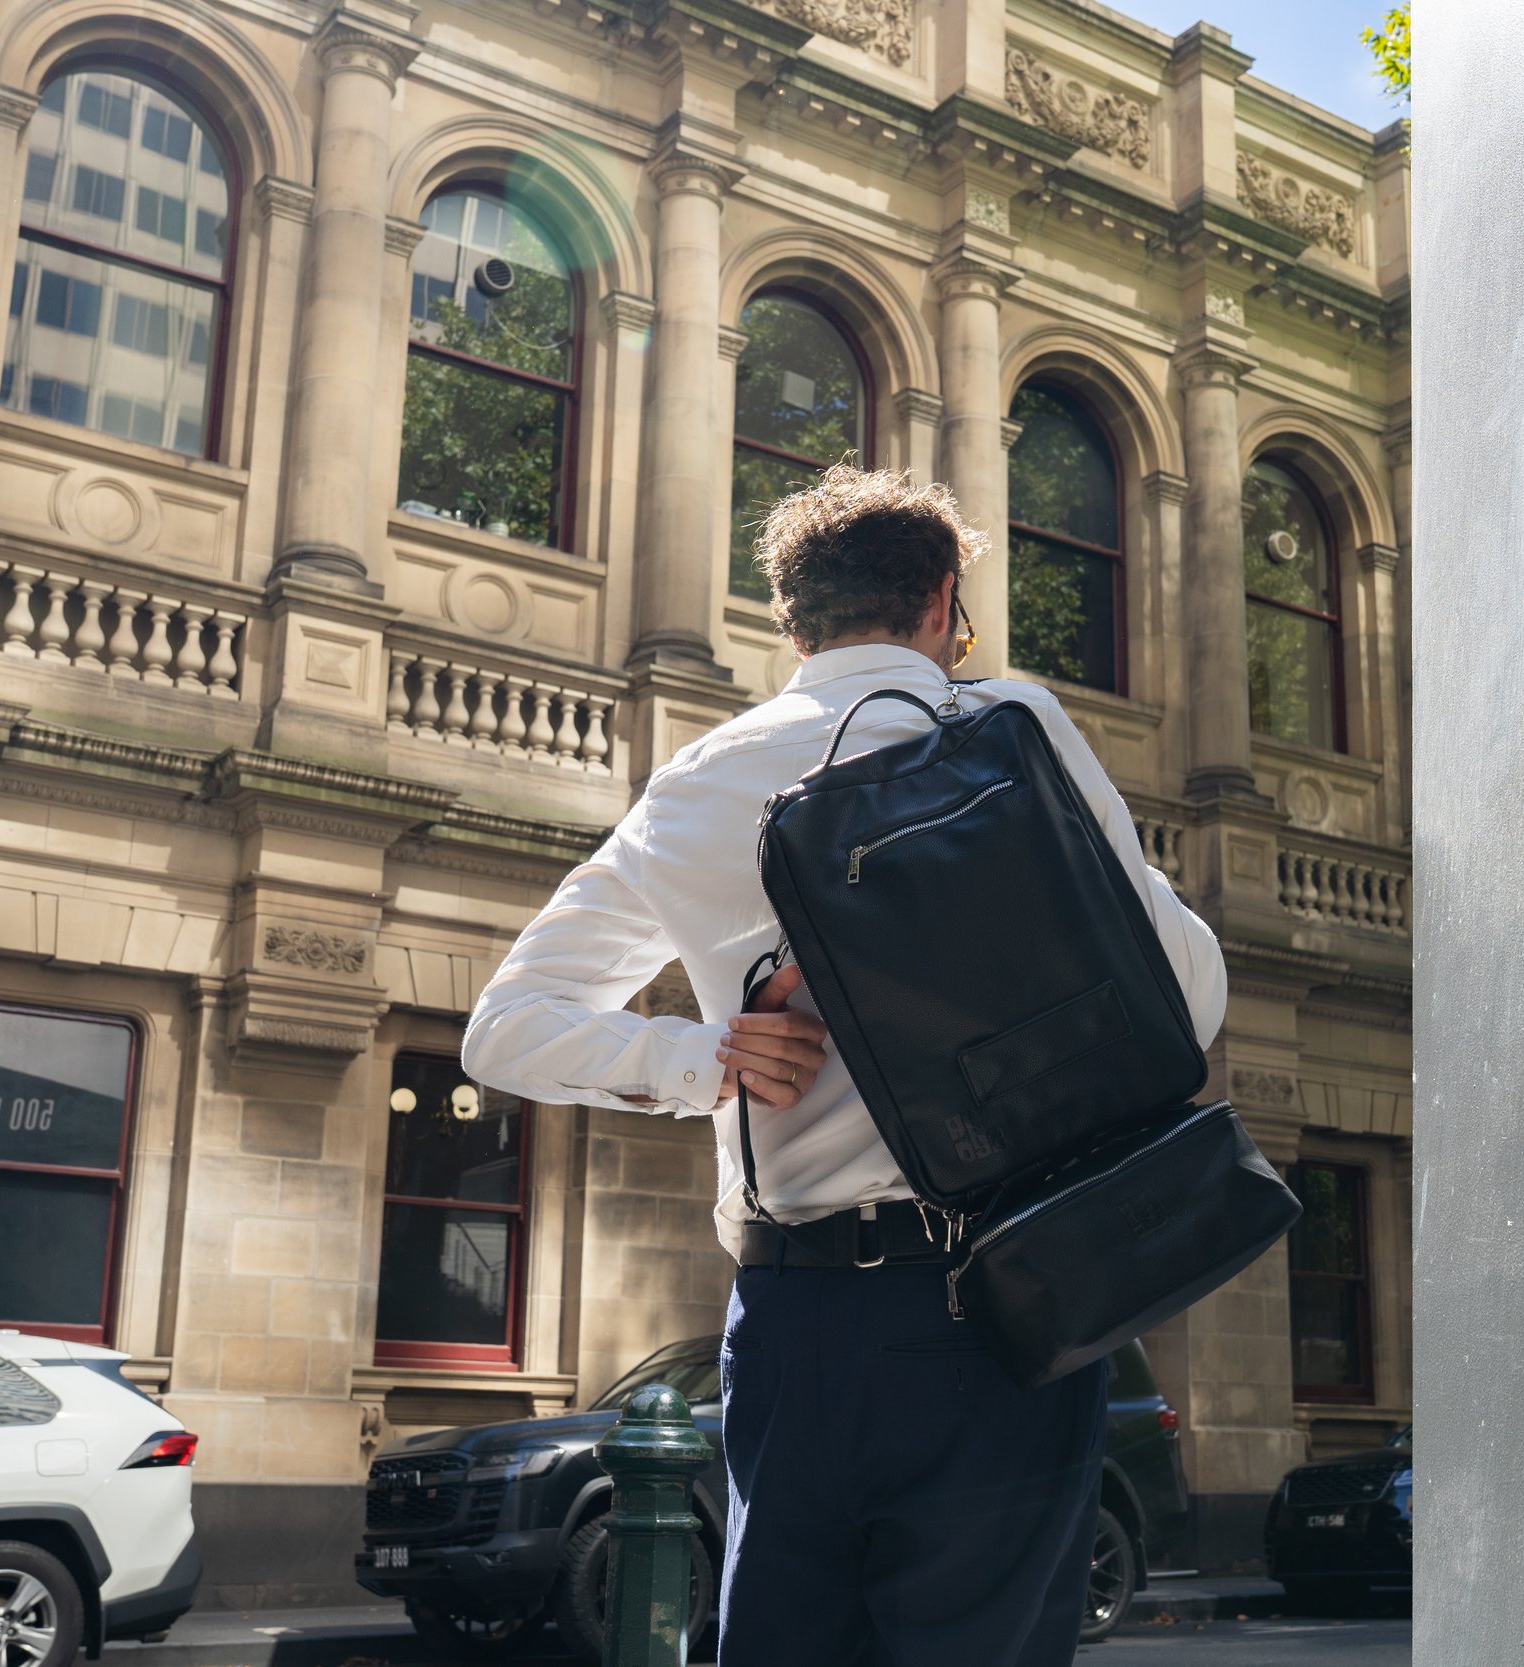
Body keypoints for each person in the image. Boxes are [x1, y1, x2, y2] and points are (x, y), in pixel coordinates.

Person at [462, 465, 1226, 1666]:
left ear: (791, 618)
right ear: (939, 601)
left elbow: (504, 1028)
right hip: (1014, 1297)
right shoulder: (1014, 730)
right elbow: (1188, 1002)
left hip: (796, 1318)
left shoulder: (700, 780)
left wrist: (702, 1054)